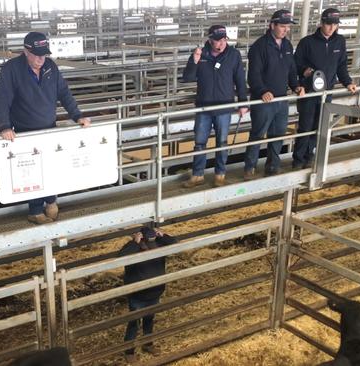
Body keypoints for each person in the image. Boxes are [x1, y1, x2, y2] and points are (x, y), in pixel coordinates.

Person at [0, 31, 91, 225]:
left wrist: (77, 116)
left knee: (51, 166)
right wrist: (4, 126)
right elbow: (1, 100)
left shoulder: (50, 67)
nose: (41, 58)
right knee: (32, 170)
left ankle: (51, 200)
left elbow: (64, 93)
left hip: (49, 127)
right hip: (24, 130)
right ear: (25, 51)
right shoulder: (11, 69)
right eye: (37, 54)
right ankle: (35, 209)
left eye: (44, 54)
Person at [181, 25, 248, 188]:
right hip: (203, 107)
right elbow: (187, 78)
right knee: (199, 143)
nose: (222, 43)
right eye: (218, 40)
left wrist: (243, 102)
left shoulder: (233, 55)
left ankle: (220, 174)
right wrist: (194, 61)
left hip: (224, 107)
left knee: (222, 142)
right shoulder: (201, 54)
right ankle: (197, 175)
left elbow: (240, 79)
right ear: (210, 40)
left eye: (224, 39)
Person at [293, 8, 357, 169]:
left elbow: (341, 65)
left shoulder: (339, 42)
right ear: (321, 23)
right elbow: (295, 64)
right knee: (305, 125)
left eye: (335, 24)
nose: (331, 27)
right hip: (309, 92)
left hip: (326, 92)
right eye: (329, 24)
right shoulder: (307, 42)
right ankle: (298, 159)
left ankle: (310, 156)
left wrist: (347, 82)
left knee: (319, 124)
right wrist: (304, 71)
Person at [244, 10, 305, 179]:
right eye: (283, 26)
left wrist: (296, 86)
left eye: (288, 27)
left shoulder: (287, 45)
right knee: (257, 133)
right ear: (272, 25)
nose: (286, 30)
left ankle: (272, 166)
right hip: (263, 100)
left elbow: (291, 70)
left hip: (282, 98)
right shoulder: (260, 46)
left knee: (278, 134)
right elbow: (253, 75)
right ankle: (249, 167)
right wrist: (262, 91)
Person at [118, 227, 177, 363]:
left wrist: (163, 235)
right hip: (138, 294)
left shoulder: (160, 244)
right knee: (134, 322)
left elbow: (175, 243)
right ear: (141, 239)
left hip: (155, 291)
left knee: (149, 319)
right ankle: (129, 351)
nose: (151, 244)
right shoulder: (133, 248)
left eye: (154, 239)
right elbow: (121, 257)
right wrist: (134, 242)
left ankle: (148, 344)